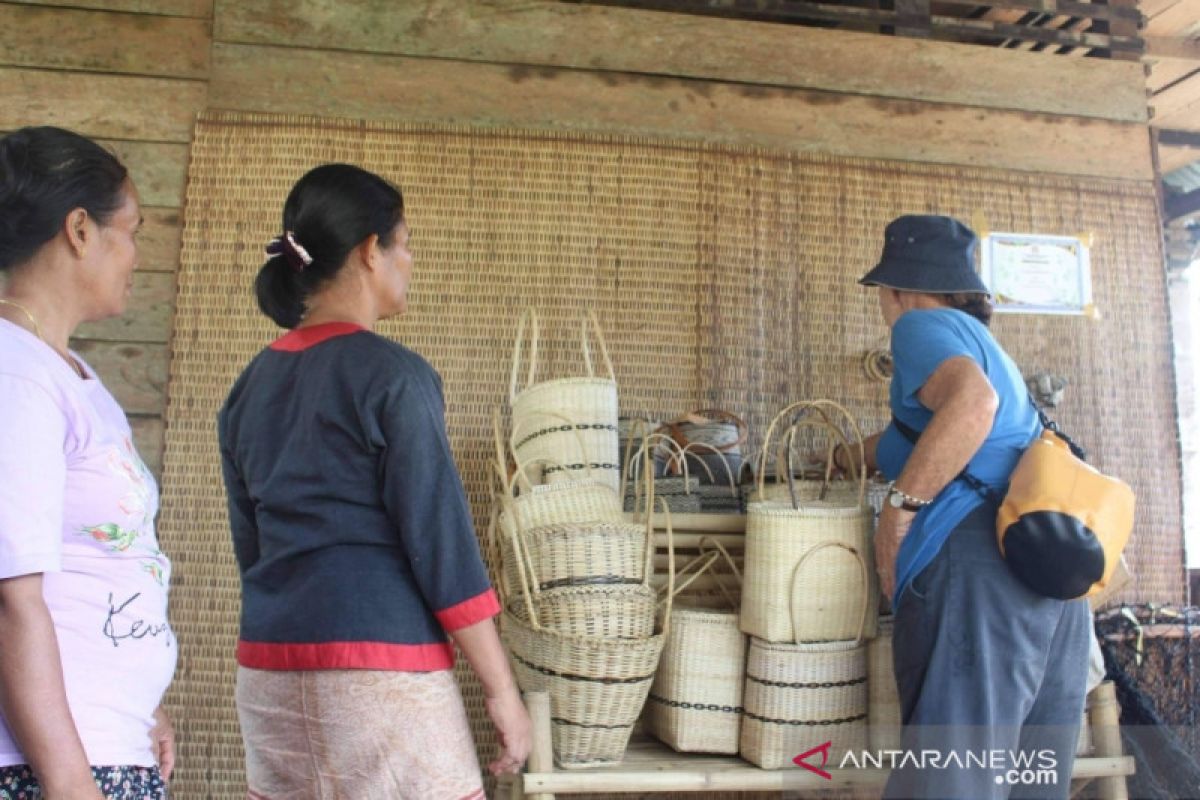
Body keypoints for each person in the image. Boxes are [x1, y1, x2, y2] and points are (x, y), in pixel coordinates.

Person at [218, 163, 531, 798]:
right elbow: (441, 543)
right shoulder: (394, 376)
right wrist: (502, 692)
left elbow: (250, 547)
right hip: (376, 669)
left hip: (268, 668)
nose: (409, 260)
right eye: (404, 243)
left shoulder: (248, 387)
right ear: (369, 251)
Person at [840, 215, 1090, 799]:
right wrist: (841, 455)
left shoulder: (919, 326)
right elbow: (931, 431)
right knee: (1030, 779)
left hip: (978, 571)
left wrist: (899, 510)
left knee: (952, 779)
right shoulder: (982, 345)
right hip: (1044, 566)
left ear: (897, 289)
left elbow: (971, 408)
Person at [0, 127, 176, 798]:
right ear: (79, 230)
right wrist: (70, 778)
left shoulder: (64, 371)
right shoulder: (16, 373)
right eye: (129, 231)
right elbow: (12, 596)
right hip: (49, 766)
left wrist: (144, 707)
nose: (135, 254)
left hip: (104, 743)